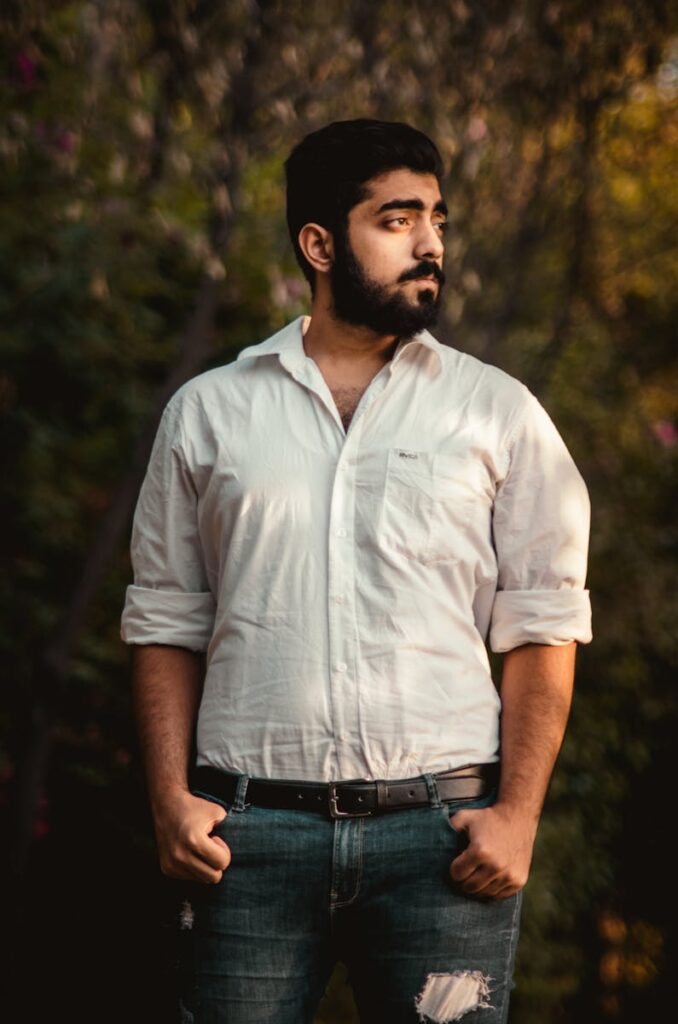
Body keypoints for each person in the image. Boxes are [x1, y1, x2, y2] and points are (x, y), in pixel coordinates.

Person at [121, 118, 592, 1024]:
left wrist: (519, 816)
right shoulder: (208, 413)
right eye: (398, 218)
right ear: (320, 243)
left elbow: (544, 624)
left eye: (439, 220)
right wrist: (169, 799)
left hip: (444, 843)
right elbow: (166, 620)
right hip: (243, 838)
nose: (431, 244)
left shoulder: (499, 413)